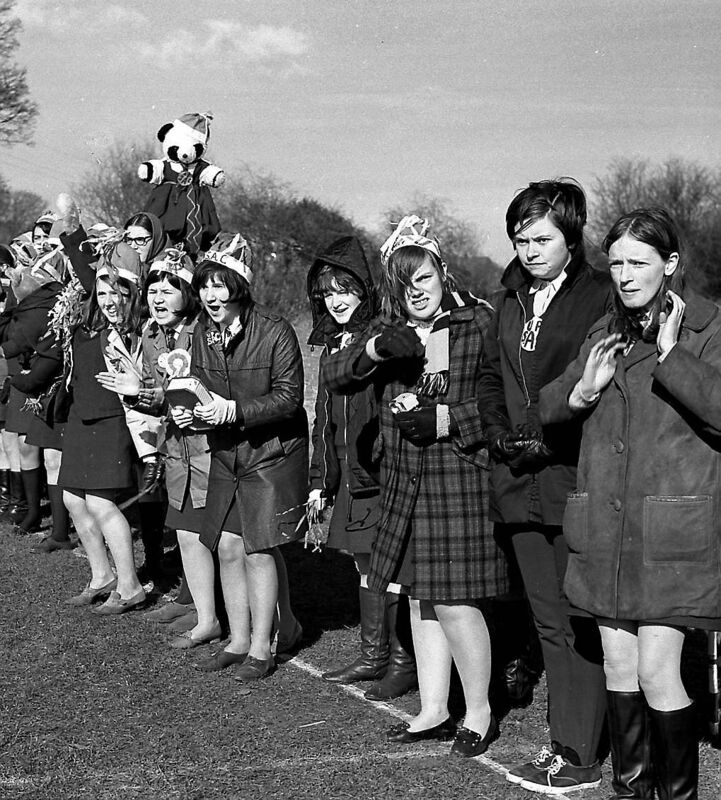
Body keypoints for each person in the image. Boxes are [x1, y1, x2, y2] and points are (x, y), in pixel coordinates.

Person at [539, 207, 714, 800]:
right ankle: (631, 790)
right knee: (618, 668)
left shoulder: (707, 329)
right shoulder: (604, 329)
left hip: (669, 533)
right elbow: (550, 403)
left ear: (671, 265)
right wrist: (582, 390)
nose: (625, 274)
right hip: (605, 531)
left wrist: (672, 357)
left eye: (639, 262)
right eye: (615, 263)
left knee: (658, 671)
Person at [323, 216, 508, 758]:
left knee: (452, 602)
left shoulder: (477, 323)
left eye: (423, 278)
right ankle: (432, 709)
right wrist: (377, 351)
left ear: (442, 272)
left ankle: (478, 712)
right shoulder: (386, 330)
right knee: (418, 601)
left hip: (460, 479)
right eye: (402, 284)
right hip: (403, 482)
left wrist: (452, 420)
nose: (415, 292)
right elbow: (334, 373)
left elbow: (505, 405)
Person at [478, 178, 612, 793]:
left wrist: (539, 434)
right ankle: (566, 742)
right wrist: (501, 433)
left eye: (541, 238)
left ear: (571, 235)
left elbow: (594, 385)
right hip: (515, 480)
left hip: (572, 475)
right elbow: (487, 376)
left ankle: (579, 751)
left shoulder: (598, 297)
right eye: (519, 239)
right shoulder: (507, 298)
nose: (528, 250)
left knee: (580, 619)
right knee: (548, 620)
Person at [174, 233, 306, 679]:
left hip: (271, 454)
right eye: (204, 285)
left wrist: (234, 410)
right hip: (227, 452)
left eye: (219, 284)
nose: (210, 294)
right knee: (227, 546)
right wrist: (192, 414)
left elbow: (290, 398)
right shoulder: (200, 334)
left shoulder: (276, 330)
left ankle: (264, 647)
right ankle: (239, 638)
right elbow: (195, 386)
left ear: (239, 284)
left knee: (258, 548)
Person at [306, 236, 417, 700]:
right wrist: (320, 482)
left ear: (363, 289)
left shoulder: (382, 336)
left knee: (392, 569)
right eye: (327, 293)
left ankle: (401, 661)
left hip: (383, 474)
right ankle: (373, 655)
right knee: (364, 567)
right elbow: (324, 420)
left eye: (344, 289)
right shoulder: (335, 343)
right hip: (352, 477)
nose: (336, 301)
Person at [98, 247, 220, 645]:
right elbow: (163, 395)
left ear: (188, 291)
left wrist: (148, 394)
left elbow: (201, 393)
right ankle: (198, 607)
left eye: (170, 289)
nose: (158, 296)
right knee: (184, 529)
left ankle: (220, 612)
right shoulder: (153, 333)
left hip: (209, 445)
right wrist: (137, 394)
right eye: (153, 288)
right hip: (176, 444)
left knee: (213, 534)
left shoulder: (204, 330)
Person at [60, 241, 161, 614]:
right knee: (72, 499)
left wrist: (74, 235)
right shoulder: (88, 317)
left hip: (111, 420)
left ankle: (131, 586)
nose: (107, 299)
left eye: (116, 292)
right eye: (101, 291)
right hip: (80, 417)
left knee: (101, 502)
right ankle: (102, 576)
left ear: (131, 292)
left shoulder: (137, 326)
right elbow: (90, 280)